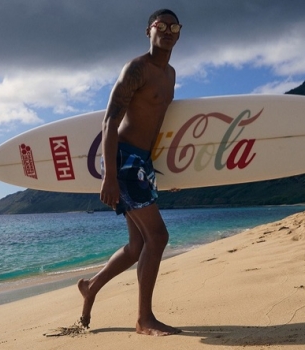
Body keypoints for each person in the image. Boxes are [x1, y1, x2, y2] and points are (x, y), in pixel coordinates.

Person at [77, 9, 182, 336]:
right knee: (158, 236)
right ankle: (143, 319)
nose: (166, 31)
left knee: (138, 245)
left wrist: (164, 172)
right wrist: (109, 176)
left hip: (143, 164)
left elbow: (156, 127)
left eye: (173, 27)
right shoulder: (136, 69)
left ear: (179, 34)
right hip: (123, 161)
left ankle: (91, 286)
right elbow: (109, 121)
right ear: (149, 31)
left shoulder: (170, 74)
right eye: (160, 25)